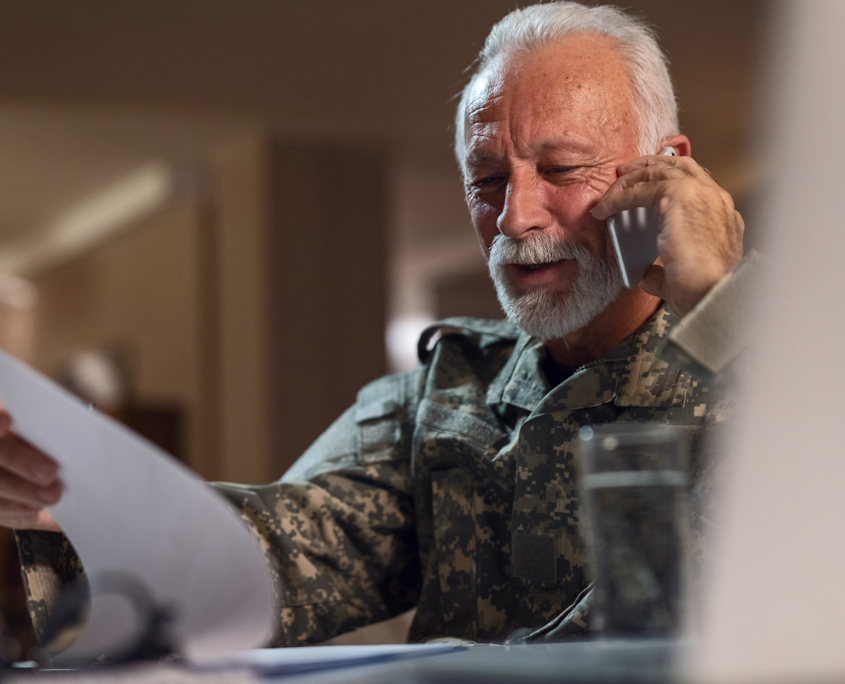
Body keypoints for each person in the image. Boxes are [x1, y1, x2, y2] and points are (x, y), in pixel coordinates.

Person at [1, 1, 755, 646]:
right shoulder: (442, 397)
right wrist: (67, 503)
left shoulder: (785, 370)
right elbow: (270, 556)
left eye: (559, 169)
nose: (514, 218)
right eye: (486, 180)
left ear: (666, 170)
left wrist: (716, 300)